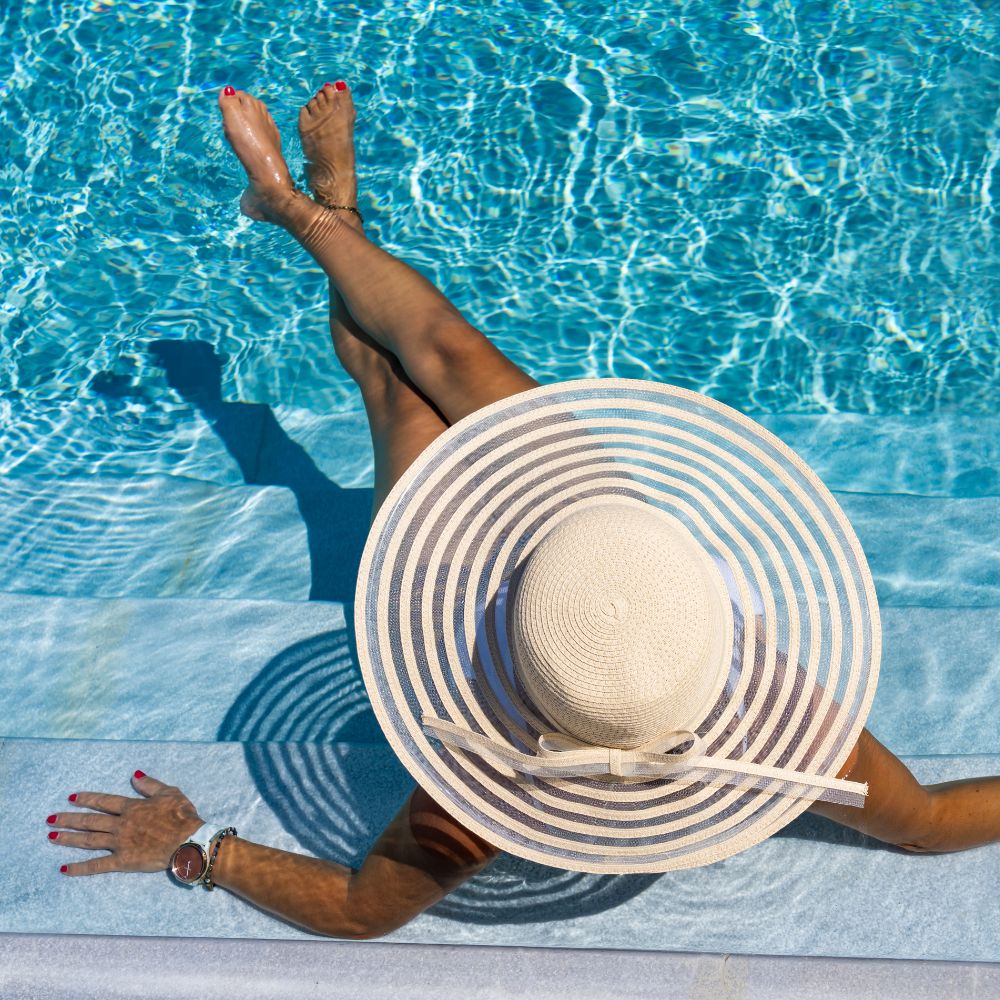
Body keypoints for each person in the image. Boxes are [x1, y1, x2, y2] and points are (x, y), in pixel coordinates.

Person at [46, 82, 1000, 939]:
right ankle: (310, 212)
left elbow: (360, 910)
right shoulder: (773, 723)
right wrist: (203, 848)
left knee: (402, 374)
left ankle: (321, 212)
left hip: (484, 571)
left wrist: (195, 845)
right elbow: (923, 827)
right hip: (595, 550)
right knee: (437, 353)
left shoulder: (489, 783)